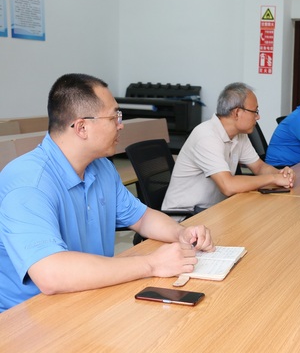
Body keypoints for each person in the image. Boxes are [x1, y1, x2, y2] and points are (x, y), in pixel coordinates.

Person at [0, 73, 215, 313]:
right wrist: (152, 264)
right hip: (30, 315)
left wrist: (181, 233)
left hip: (90, 296)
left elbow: (142, 218)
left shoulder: (100, 167)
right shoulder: (28, 183)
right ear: (82, 127)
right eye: (114, 117)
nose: (120, 124)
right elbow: (51, 274)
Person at [162, 82, 295, 212]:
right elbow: (228, 186)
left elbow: (259, 167)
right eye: (255, 111)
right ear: (237, 113)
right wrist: (273, 178)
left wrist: (282, 175)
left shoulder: (239, 135)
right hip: (187, 215)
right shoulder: (206, 136)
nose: (258, 117)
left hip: (215, 210)